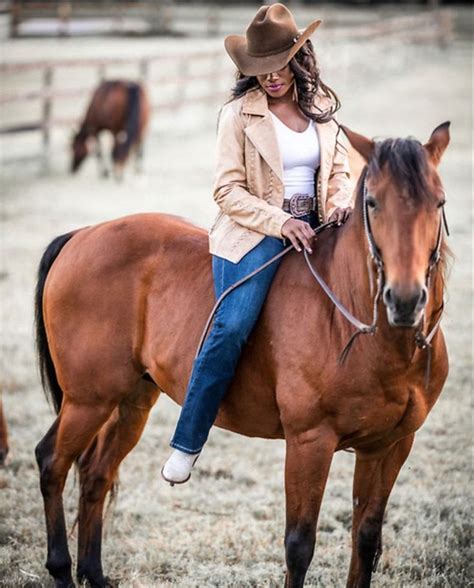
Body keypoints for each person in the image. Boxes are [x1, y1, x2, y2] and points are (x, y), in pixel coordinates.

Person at [162, 3, 353, 484]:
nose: (270, 78)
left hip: (320, 230)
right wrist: (280, 221)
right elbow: (227, 191)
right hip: (255, 233)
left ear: (298, 56)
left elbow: (340, 174)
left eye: (279, 66)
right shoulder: (238, 114)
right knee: (231, 326)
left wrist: (340, 205)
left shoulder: (323, 112)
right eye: (260, 69)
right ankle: (188, 442)